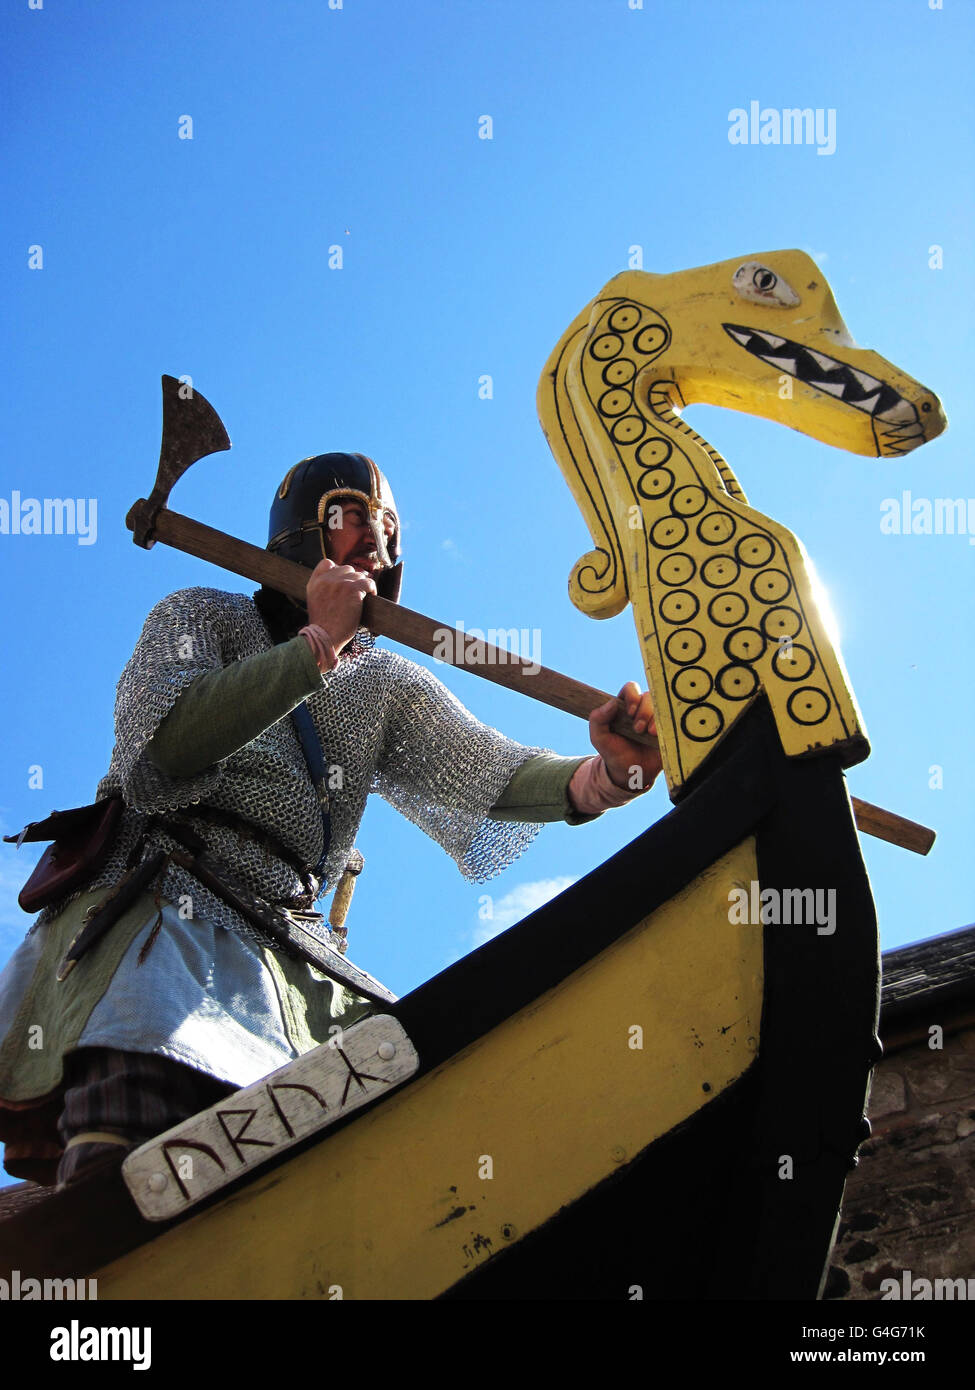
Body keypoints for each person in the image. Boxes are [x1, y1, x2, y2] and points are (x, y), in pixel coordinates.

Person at [0, 453, 661, 1187]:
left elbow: (486, 772)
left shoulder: (383, 681)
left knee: (394, 1120)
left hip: (289, 940)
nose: (376, 545)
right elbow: (161, 757)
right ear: (301, 534)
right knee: (130, 1137)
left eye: (387, 528)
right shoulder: (198, 616)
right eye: (353, 520)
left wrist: (608, 775)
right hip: (160, 906)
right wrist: (316, 646)